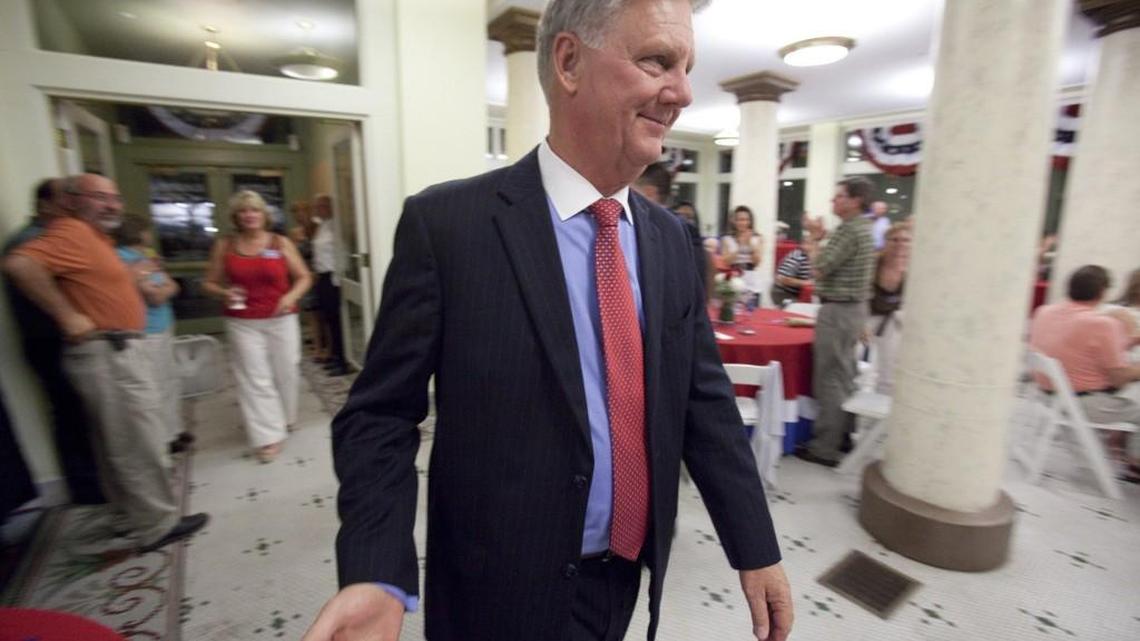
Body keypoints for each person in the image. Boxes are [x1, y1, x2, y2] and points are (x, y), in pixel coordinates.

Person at [303, 1, 792, 641]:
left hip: (623, 579)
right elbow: (379, 415)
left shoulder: (673, 242)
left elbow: (704, 402)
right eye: (657, 60)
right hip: (491, 593)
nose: (682, 92)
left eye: (687, 67)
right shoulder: (449, 228)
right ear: (569, 62)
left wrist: (754, 544)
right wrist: (375, 568)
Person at [3, 173, 208, 551]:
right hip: (108, 353)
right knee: (137, 442)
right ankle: (156, 525)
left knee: (117, 442)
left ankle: (131, 517)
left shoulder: (93, 236)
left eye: (114, 197)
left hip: (112, 351)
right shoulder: (71, 232)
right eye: (100, 197)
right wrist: (66, 315)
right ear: (72, 199)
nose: (112, 204)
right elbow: (20, 265)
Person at [2, 178, 103, 504]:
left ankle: (96, 484)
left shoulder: (59, 236)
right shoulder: (32, 241)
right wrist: (69, 316)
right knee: (72, 416)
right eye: (68, 197)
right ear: (44, 204)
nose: (75, 203)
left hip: (68, 343)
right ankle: (89, 491)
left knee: (83, 415)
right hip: (53, 343)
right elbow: (23, 271)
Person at [203, 190, 312, 463]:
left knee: (286, 371)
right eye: (244, 211)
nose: (249, 215)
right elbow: (208, 282)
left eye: (255, 210)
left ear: (264, 215)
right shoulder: (225, 245)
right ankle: (268, 437)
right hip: (243, 322)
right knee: (255, 378)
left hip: (281, 318)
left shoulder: (280, 242)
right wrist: (223, 293)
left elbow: (304, 277)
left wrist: (289, 297)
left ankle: (285, 418)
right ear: (236, 217)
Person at [1029, 265, 1140, 482]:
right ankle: (1135, 464)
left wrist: (1129, 342)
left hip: (1047, 395)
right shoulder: (1102, 324)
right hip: (1082, 404)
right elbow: (1118, 377)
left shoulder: (1045, 311)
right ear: (1102, 292)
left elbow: (1081, 344)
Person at [795, 177, 877, 467]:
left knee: (829, 378)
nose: (833, 201)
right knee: (844, 375)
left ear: (855, 200)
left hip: (839, 311)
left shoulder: (849, 230)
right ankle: (843, 435)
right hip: (853, 310)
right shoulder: (863, 228)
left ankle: (824, 447)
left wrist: (815, 240)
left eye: (839, 196)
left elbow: (819, 268)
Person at [114, 214, 191, 455]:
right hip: (145, 332)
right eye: (147, 230)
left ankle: (174, 429)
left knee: (169, 380)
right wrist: (163, 286)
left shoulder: (146, 257)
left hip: (162, 326)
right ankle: (163, 438)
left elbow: (172, 286)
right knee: (154, 385)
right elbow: (156, 295)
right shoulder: (124, 260)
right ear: (140, 233)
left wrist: (163, 285)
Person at [634, 163, 706, 298]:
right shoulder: (631, 227)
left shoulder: (683, 231)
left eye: (631, 191)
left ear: (649, 192)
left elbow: (696, 286)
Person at [866, 220, 913, 394]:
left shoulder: (914, 267)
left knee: (889, 367)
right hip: (866, 314)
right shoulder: (872, 263)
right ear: (886, 242)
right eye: (895, 239)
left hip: (893, 318)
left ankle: (884, 402)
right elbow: (858, 291)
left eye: (905, 240)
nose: (900, 244)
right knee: (850, 358)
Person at [311, 194, 350, 376]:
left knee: (336, 321)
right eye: (317, 206)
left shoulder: (336, 226)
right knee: (328, 320)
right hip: (322, 277)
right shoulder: (322, 226)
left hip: (333, 278)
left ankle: (342, 360)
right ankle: (334, 355)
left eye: (321, 205)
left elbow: (342, 253)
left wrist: (339, 279)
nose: (318, 209)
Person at [290, 200, 329, 363]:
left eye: (302, 211)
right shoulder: (294, 233)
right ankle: (317, 347)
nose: (300, 215)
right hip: (305, 275)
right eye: (296, 212)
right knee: (312, 313)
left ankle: (327, 345)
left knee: (324, 313)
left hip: (321, 273)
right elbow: (293, 257)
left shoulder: (318, 227)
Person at [770, 214, 824, 307]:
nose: (815, 247)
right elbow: (781, 278)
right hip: (783, 293)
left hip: (799, 293)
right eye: (810, 243)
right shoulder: (798, 256)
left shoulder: (815, 259)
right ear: (803, 244)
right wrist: (805, 283)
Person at [720, 205, 763, 271]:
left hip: (750, 272)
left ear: (750, 221)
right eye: (739, 220)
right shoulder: (727, 239)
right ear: (734, 221)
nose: (743, 223)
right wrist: (740, 246)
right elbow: (726, 262)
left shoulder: (757, 238)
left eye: (746, 220)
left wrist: (749, 243)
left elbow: (757, 262)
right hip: (733, 273)